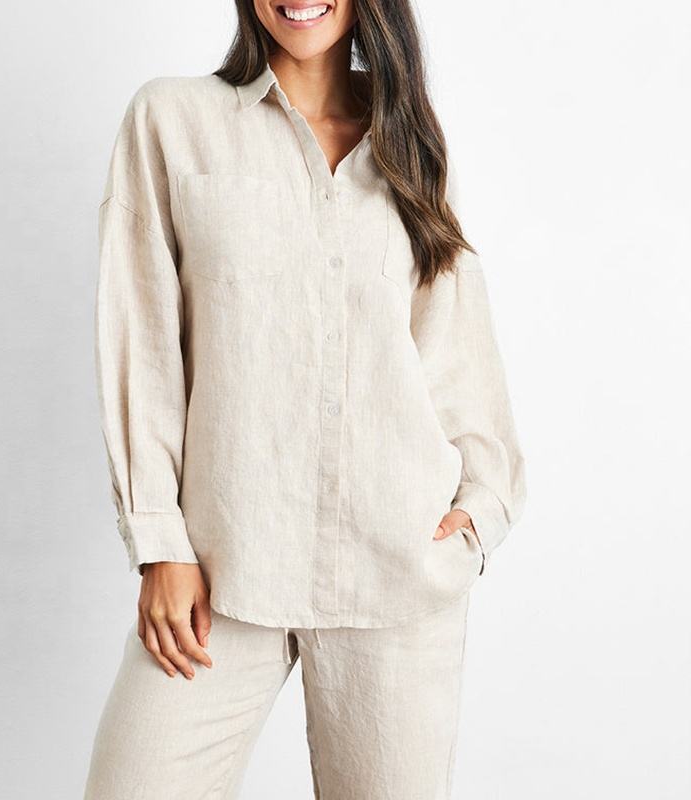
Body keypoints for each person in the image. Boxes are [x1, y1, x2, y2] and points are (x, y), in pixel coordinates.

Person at [83, 1, 526, 798]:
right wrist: (160, 542)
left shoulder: (412, 147)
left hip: (395, 574)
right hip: (222, 569)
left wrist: (480, 512)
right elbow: (142, 342)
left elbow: (455, 351)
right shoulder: (172, 121)